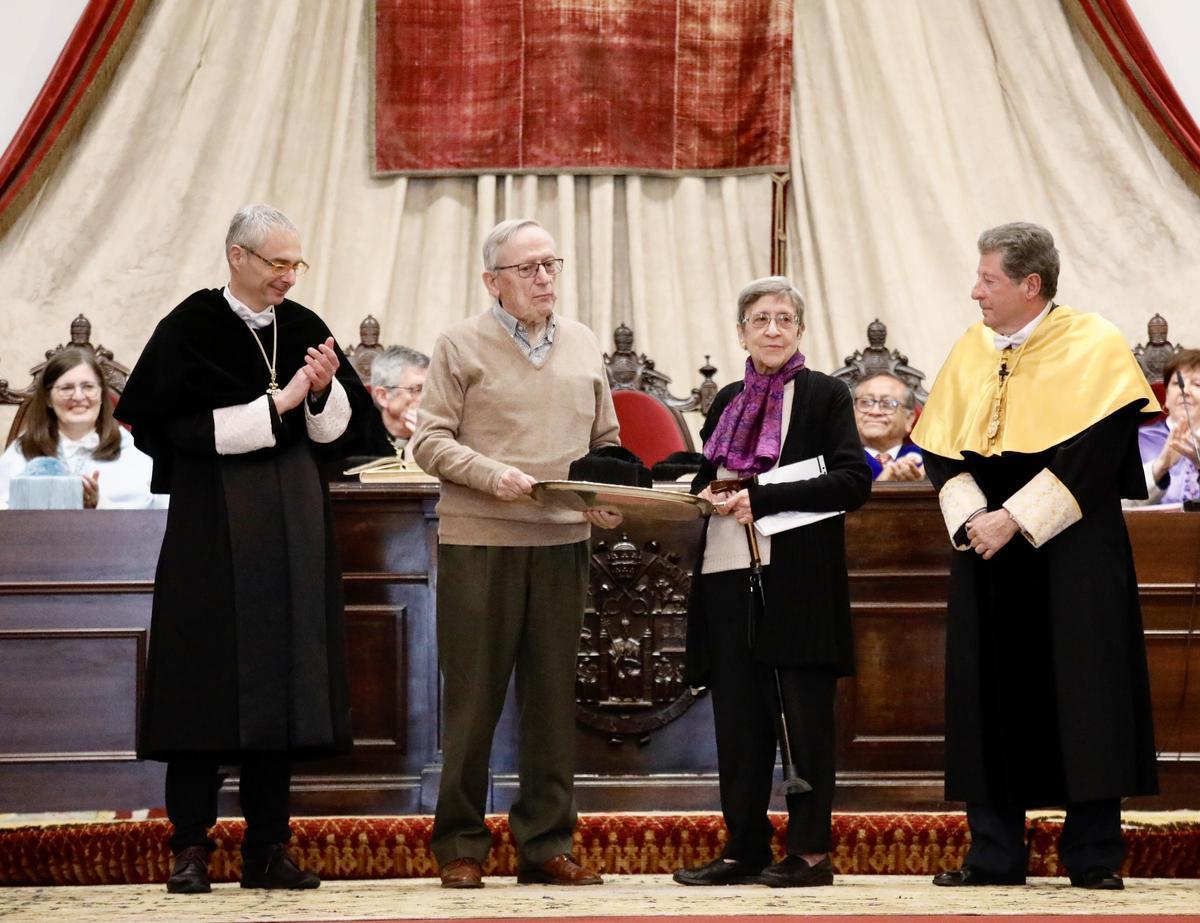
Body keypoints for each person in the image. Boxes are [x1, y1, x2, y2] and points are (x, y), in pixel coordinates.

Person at [116, 204, 369, 895]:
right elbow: (174, 426)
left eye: (296, 264)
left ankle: (267, 846)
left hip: (292, 520)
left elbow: (338, 432)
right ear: (237, 256)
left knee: (282, 683)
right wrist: (278, 404)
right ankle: (191, 846)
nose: (288, 277)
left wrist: (318, 394)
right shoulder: (191, 327)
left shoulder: (307, 326)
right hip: (212, 523)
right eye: (276, 263)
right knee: (202, 678)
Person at [911, 222, 1159, 891]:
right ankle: (993, 852)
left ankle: (1093, 854)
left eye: (988, 279)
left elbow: (1099, 452)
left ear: (1030, 283)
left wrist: (1014, 520)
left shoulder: (1095, 344)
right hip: (986, 555)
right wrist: (973, 520)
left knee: (1086, 694)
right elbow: (938, 447)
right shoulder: (971, 347)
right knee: (984, 694)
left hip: (1070, 552)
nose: (975, 292)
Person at [410, 218, 621, 889]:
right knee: (473, 703)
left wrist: (609, 497)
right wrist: (488, 473)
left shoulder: (586, 343)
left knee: (554, 701)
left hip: (563, 543)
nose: (543, 279)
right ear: (491, 281)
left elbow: (607, 442)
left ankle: (545, 842)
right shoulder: (458, 344)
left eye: (550, 265)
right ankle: (461, 846)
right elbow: (430, 442)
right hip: (482, 543)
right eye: (527, 268)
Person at [672, 276, 871, 889]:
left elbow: (851, 480)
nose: (773, 329)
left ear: (801, 330)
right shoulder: (730, 396)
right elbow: (712, 475)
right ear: (741, 333)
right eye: (760, 320)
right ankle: (744, 849)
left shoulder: (824, 395)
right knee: (738, 721)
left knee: (803, 719)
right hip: (728, 573)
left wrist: (761, 495)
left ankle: (811, 853)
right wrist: (701, 491)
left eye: (785, 318)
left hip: (798, 579)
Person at [0, 348, 164, 509]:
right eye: (66, 388)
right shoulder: (23, 450)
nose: (78, 396)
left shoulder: (132, 452)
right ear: (48, 399)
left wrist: (99, 504)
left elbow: (157, 520)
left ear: (101, 395)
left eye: (88, 387)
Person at [1125, 349, 1200, 506]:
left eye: (1197, 384)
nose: (1184, 391)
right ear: (1165, 397)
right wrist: (1160, 466)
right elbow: (1120, 506)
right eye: (1176, 383)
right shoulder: (1137, 441)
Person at [852, 371, 924, 481]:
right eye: (865, 402)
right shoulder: (837, 462)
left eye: (888, 404)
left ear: (909, 419)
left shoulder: (930, 463)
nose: (875, 412)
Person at [364, 345, 429, 457]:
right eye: (417, 389)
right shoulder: (359, 442)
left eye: (431, 389)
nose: (428, 398)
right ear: (383, 396)